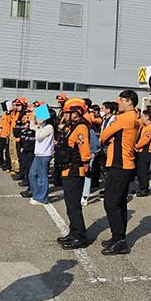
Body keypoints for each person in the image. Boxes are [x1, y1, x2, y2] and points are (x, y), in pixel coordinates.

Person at [98, 90, 141, 255]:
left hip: (119, 164)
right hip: (125, 163)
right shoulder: (135, 118)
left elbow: (103, 135)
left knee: (111, 202)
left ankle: (119, 240)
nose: (118, 103)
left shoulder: (124, 118)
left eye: (121, 100)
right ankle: (119, 237)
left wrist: (110, 136)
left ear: (129, 102)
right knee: (120, 202)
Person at [55, 98, 92, 249]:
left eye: (68, 112)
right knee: (70, 205)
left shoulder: (81, 127)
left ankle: (80, 237)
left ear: (76, 113)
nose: (65, 115)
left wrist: (85, 164)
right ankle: (73, 232)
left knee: (73, 205)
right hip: (67, 169)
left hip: (75, 170)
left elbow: (84, 150)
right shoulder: (71, 126)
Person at [28, 112, 55, 206]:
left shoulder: (49, 127)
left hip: (44, 155)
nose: (38, 119)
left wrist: (38, 127)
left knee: (42, 177)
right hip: (38, 154)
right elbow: (31, 127)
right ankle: (37, 195)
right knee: (32, 174)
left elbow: (39, 137)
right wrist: (32, 117)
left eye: (40, 117)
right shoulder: (41, 127)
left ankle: (42, 198)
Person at [135, 109, 151, 197]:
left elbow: (144, 141)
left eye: (142, 116)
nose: (141, 118)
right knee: (140, 171)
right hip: (141, 151)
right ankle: (141, 187)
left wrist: (135, 146)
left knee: (143, 171)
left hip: (146, 152)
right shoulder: (144, 126)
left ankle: (144, 189)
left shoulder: (150, 128)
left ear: (147, 117)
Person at [0, 104, 14, 171]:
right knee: (0, 150)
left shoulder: (11, 115)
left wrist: (9, 113)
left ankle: (7, 164)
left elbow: (10, 122)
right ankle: (1, 161)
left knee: (7, 152)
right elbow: (1, 126)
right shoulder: (4, 115)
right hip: (3, 135)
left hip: (7, 136)